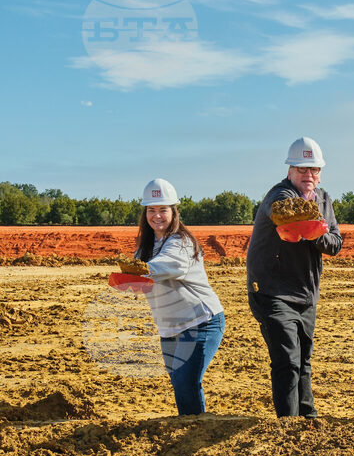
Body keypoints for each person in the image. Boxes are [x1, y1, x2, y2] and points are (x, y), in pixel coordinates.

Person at [246, 137, 343, 417]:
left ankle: (307, 419)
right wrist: (313, 228)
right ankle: (287, 427)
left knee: (303, 361)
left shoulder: (323, 200)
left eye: (314, 170)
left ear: (320, 173)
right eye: (302, 169)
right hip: (272, 292)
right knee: (287, 360)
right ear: (290, 171)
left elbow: (335, 243)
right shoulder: (281, 196)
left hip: (305, 294)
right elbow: (285, 216)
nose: (308, 175)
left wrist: (316, 231)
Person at [133, 178, 225, 416]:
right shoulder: (146, 246)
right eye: (151, 210)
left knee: (186, 383)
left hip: (200, 322)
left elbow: (169, 265)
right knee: (181, 385)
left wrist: (139, 271)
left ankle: (193, 430)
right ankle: (193, 425)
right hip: (170, 327)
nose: (157, 215)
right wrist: (134, 282)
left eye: (163, 209)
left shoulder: (181, 242)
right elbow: (146, 280)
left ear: (174, 211)